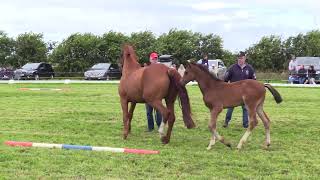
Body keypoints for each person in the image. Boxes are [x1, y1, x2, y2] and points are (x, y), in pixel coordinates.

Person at [223, 51, 256, 128]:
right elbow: (225, 79)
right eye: (238, 58)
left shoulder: (249, 68)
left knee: (245, 108)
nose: (239, 60)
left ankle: (245, 124)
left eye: (241, 58)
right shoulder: (232, 68)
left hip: (245, 93)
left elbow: (254, 81)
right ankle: (226, 122)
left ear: (245, 58)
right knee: (230, 107)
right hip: (233, 93)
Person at [145, 52, 162, 132]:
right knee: (149, 112)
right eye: (153, 59)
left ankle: (159, 126)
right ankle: (150, 128)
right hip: (148, 94)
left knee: (158, 111)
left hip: (157, 94)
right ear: (150, 59)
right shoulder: (147, 69)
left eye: (156, 59)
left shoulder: (160, 69)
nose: (155, 60)